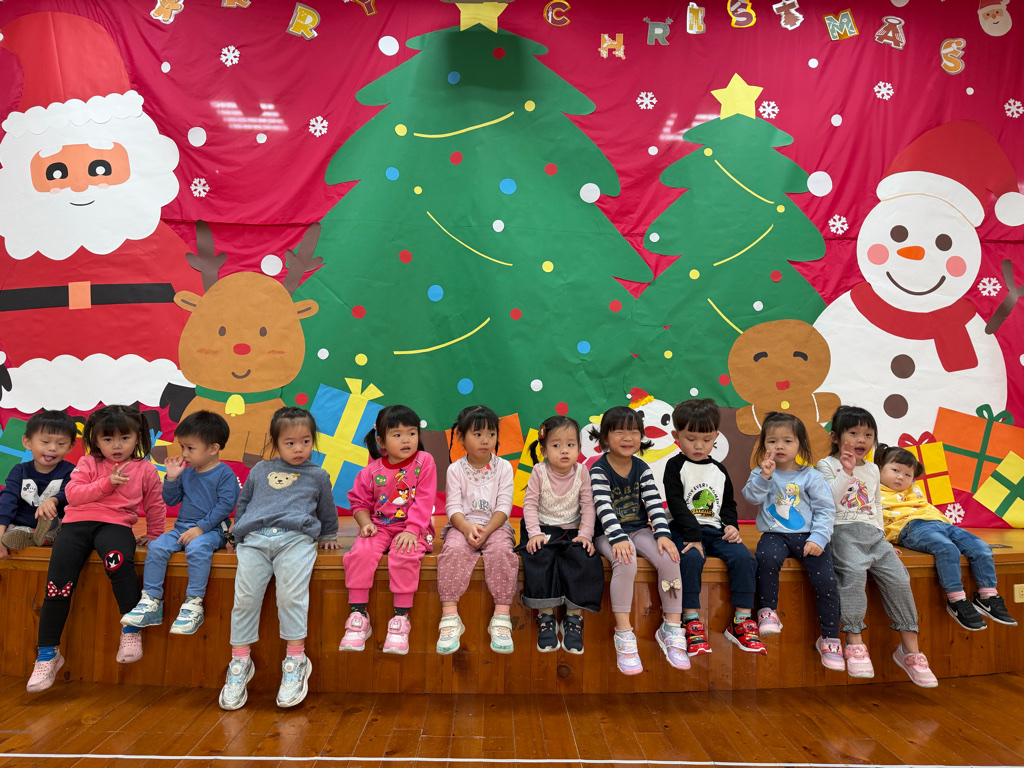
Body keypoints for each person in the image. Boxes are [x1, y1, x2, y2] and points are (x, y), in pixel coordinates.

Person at [27, 405, 166, 693]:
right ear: (95, 440)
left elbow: (155, 503)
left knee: (119, 564)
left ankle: (131, 629)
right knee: (57, 585)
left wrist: (155, 534)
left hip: (115, 526)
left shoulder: (145, 469)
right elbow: (73, 495)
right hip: (76, 526)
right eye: (108, 439)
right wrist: (107, 483)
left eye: (125, 438)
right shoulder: (88, 463)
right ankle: (47, 654)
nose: (117, 446)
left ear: (138, 437)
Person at [218, 407, 339, 711]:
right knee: (245, 599)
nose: (299, 449)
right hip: (255, 540)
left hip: (295, 539)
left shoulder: (318, 475)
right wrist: (236, 532)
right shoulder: (260, 470)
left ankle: (296, 661)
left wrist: (328, 535)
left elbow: (327, 510)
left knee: (290, 596)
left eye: (306, 441)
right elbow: (244, 503)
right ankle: (239, 663)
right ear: (275, 443)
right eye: (290, 443)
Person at [816, 406, 937, 687]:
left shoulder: (872, 469)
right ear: (835, 437)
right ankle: (854, 640)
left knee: (899, 578)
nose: (861, 439)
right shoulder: (826, 465)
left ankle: (910, 650)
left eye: (868, 434)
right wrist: (846, 472)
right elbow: (828, 501)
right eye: (853, 433)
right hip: (842, 531)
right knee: (853, 575)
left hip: (873, 535)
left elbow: (876, 506)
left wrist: (883, 538)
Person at [741, 412, 843, 671]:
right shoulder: (761, 472)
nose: (779, 446)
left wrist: (819, 538)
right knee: (766, 557)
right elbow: (751, 497)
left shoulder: (811, 476)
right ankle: (767, 612)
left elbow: (825, 510)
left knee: (827, 580)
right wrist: (764, 477)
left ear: (800, 444)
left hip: (809, 537)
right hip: (774, 534)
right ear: (764, 444)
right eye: (772, 441)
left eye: (787, 441)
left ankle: (830, 638)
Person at [122, 411, 239, 635]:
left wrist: (200, 528)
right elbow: (171, 500)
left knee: (197, 547)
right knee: (157, 546)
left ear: (213, 448)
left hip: (212, 530)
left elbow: (225, 506)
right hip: (182, 528)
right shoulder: (186, 472)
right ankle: (151, 600)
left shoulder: (225, 474)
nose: (184, 454)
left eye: (190, 448)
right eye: (182, 447)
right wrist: (172, 478)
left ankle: (194, 603)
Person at [878, 445, 1019, 630]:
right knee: (948, 549)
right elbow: (868, 521)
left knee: (982, 548)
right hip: (911, 528)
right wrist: (883, 544)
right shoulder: (873, 491)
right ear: (879, 469)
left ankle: (987, 596)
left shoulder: (913, 489)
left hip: (942, 524)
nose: (900, 477)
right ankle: (956, 600)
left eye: (907, 474)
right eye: (895, 470)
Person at [589, 406, 686, 675]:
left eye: (633, 431)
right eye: (619, 431)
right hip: (607, 534)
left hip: (638, 529)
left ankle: (671, 627)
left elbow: (654, 502)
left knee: (669, 557)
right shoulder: (598, 469)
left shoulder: (642, 467)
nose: (627, 437)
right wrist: (618, 537)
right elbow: (603, 507)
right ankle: (624, 633)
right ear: (605, 438)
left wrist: (663, 534)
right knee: (626, 558)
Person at [664, 398, 764, 656]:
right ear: (676, 436)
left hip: (715, 531)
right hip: (684, 530)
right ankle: (690, 620)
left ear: (716, 437)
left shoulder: (719, 469)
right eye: (691, 439)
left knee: (745, 559)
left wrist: (731, 526)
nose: (699, 445)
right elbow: (676, 504)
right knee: (691, 558)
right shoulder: (675, 466)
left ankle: (742, 620)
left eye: (706, 439)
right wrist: (693, 536)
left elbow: (728, 504)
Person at [340, 405, 437, 656]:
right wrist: (366, 524)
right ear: (381, 441)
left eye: (411, 433)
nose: (406, 439)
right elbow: (359, 503)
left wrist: (412, 530)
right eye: (397, 434)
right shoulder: (371, 471)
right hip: (381, 526)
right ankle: (358, 616)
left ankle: (401, 619)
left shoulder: (424, 461)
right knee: (360, 553)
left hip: (414, 527)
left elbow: (424, 499)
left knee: (404, 554)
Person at [518, 415, 604, 654]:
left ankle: (573, 618)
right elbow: (529, 505)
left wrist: (586, 535)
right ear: (544, 451)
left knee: (584, 557)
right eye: (556, 445)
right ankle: (546, 617)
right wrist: (534, 534)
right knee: (538, 556)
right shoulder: (539, 471)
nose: (564, 450)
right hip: (541, 528)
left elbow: (588, 506)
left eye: (570, 444)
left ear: (579, 447)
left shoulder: (582, 472)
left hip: (572, 530)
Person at [436, 405, 518, 655]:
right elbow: (452, 507)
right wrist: (466, 527)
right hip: (462, 525)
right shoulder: (455, 469)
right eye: (478, 434)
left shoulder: (503, 467)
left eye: (491, 434)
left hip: (496, 525)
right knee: (453, 550)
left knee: (502, 551)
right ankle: (450, 617)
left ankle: (501, 616)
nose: (485, 440)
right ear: (461, 438)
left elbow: (504, 505)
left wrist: (488, 530)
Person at [0, 410, 77, 555]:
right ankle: (31, 535)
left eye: (61, 443)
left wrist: (53, 500)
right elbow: (8, 499)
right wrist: (1, 528)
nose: (53, 448)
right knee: (10, 528)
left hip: (56, 524)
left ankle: (48, 535)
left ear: (70, 446)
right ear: (27, 442)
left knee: (64, 525)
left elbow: (69, 493)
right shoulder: (19, 470)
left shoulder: (72, 471)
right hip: (22, 523)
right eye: (45, 442)